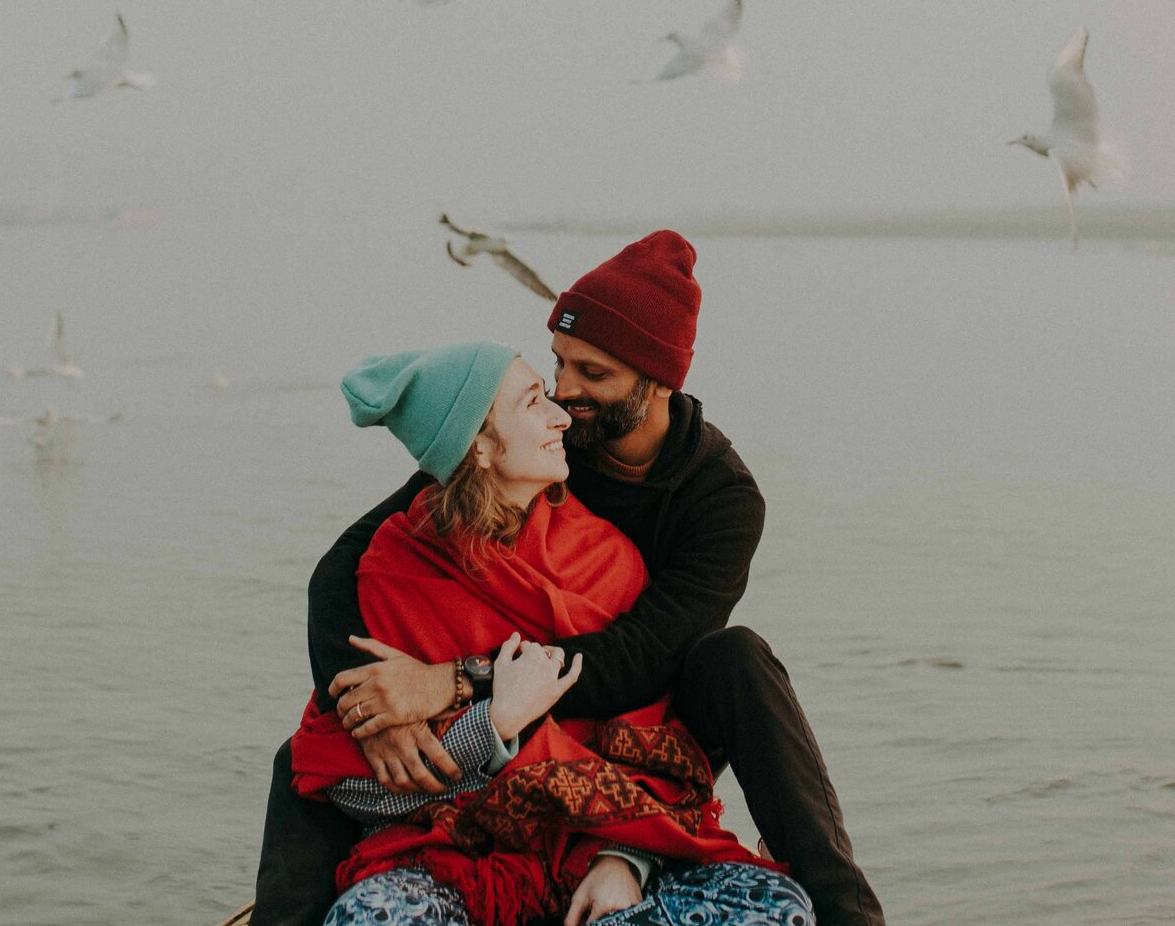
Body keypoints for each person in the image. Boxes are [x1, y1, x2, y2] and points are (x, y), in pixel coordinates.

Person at [256, 233, 883, 926]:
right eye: (556, 366)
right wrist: (364, 707)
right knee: (304, 759)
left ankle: (848, 910)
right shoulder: (541, 443)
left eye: (593, 372)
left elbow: (646, 658)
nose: (565, 393)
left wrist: (459, 682)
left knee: (737, 657)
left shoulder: (719, 497)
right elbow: (352, 558)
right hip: (504, 714)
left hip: (646, 699)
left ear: (658, 380)